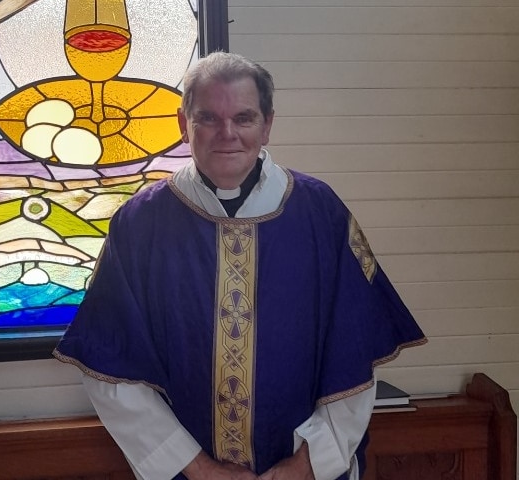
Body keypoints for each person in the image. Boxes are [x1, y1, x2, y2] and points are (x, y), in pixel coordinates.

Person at [53, 51, 427, 480]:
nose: (226, 134)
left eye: (244, 118)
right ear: (183, 124)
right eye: (208, 118)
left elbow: (354, 355)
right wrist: (200, 469)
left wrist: (308, 464)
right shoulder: (140, 224)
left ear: (267, 124)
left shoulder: (320, 214)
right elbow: (112, 367)